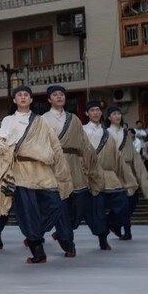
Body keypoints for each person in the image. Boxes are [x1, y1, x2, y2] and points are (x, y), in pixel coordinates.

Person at [0, 86, 72, 264]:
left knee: (55, 205)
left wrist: (62, 171)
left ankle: (35, 232)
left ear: (32, 100)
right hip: (21, 170)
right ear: (14, 100)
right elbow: (1, 143)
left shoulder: (41, 121)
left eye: (27, 95)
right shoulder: (8, 120)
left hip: (43, 170)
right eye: (19, 95)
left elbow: (55, 146)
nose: (23, 97)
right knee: (27, 212)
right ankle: (37, 249)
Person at [45, 86, 103, 255]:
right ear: (49, 99)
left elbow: (85, 144)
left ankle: (65, 230)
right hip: (55, 164)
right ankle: (67, 241)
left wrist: (91, 165)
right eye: (54, 95)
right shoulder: (43, 119)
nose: (59, 97)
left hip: (76, 165)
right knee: (62, 204)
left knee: (80, 204)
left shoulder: (74, 119)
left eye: (61, 94)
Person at [83, 101, 135, 251]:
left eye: (98, 110)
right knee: (98, 210)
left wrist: (127, 178)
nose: (95, 112)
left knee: (123, 203)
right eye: (92, 110)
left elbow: (117, 157)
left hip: (109, 175)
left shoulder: (107, 133)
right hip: (91, 175)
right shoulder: (82, 131)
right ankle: (102, 239)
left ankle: (111, 224)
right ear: (87, 113)